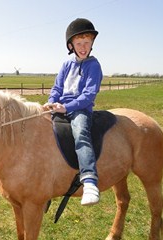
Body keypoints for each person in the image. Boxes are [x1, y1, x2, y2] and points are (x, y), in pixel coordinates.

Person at [43, 18, 103, 206]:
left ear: (92, 44)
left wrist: (66, 107)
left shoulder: (94, 66)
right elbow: (57, 88)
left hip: (80, 109)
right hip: (61, 107)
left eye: (87, 43)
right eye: (79, 43)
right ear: (71, 45)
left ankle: (90, 181)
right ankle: (45, 181)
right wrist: (52, 102)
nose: (83, 47)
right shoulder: (66, 65)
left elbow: (88, 95)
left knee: (81, 134)